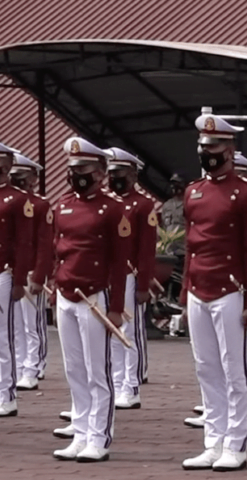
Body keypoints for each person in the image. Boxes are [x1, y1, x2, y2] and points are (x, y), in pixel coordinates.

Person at [180, 114, 247, 471]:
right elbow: (191, 247)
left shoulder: (246, 194)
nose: (208, 153)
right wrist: (186, 292)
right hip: (199, 287)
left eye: (215, 147)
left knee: (236, 371)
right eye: (203, 147)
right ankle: (212, 440)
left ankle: (235, 443)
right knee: (206, 368)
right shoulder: (194, 191)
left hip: (230, 288)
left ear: (230, 150)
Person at [49, 136, 129, 462]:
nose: (76, 173)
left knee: (98, 371)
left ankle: (99, 436)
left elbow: (120, 261)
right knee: (74, 369)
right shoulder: (64, 205)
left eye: (83, 167)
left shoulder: (112, 209)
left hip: (94, 294)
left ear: (99, 172)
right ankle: (80, 432)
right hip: (66, 293)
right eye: (72, 168)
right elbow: (58, 251)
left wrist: (118, 306)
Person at [0, 138, 34, 418]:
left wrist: (20, 279)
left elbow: (23, 243)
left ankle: (6, 394)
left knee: (0, 335)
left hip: (3, 272)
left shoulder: (18, 199)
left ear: (8, 166)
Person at [107, 147, 157, 409]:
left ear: (133, 173)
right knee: (111, 330)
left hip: (130, 274)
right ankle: (115, 383)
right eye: (111, 172)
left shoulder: (142, 204)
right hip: (107, 275)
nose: (114, 177)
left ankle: (132, 385)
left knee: (130, 330)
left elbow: (147, 249)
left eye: (120, 172)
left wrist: (144, 283)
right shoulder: (106, 202)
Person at [10, 152, 53, 391]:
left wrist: (39, 275)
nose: (17, 181)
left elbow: (44, 243)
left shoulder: (39, 204)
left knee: (31, 323)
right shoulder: (5, 202)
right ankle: (18, 365)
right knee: (13, 323)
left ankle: (33, 366)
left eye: (22, 177)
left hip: (29, 270)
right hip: (9, 271)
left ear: (33, 179)